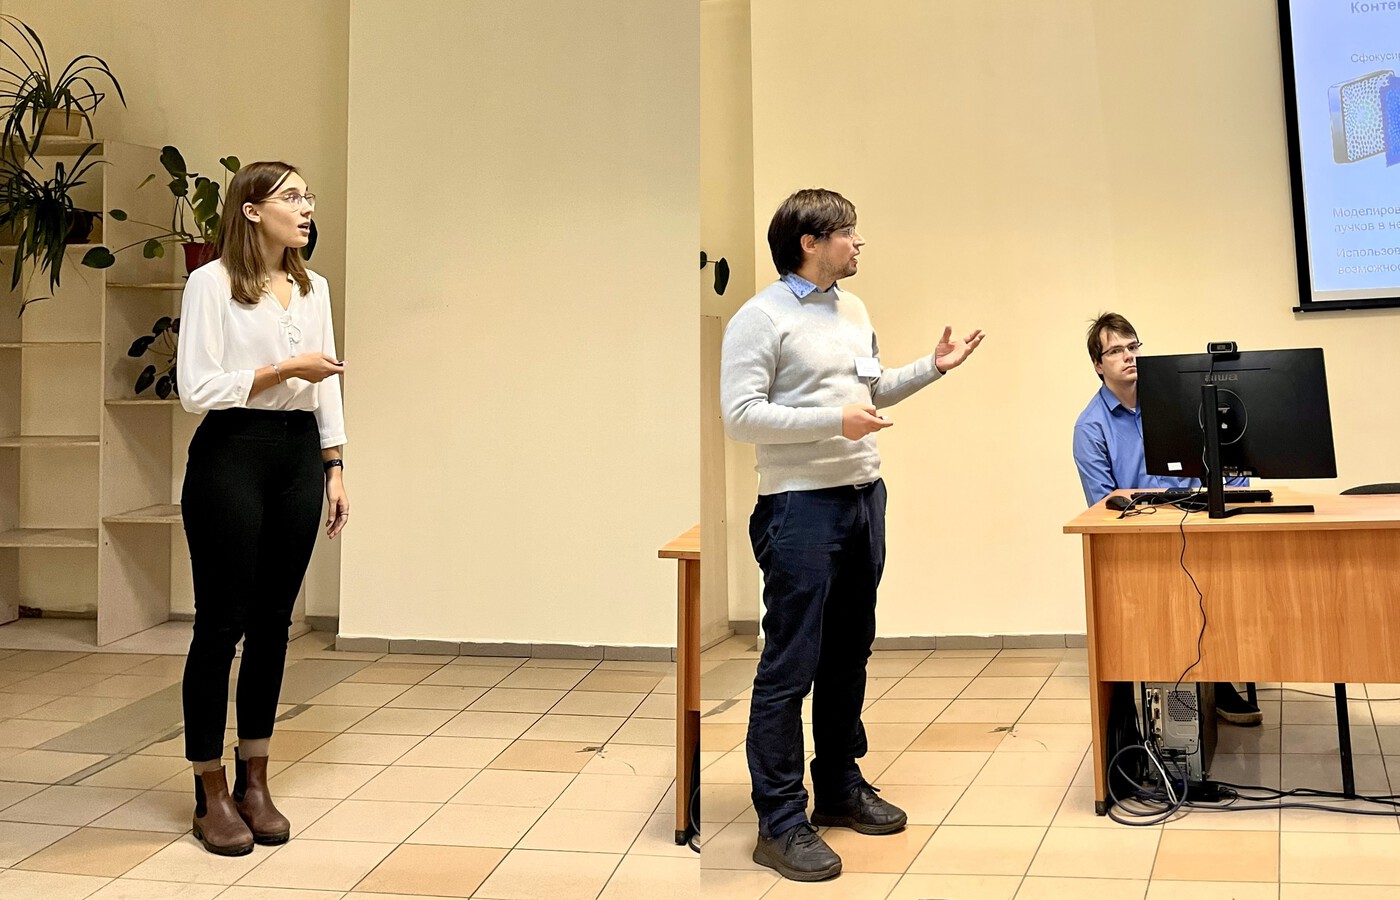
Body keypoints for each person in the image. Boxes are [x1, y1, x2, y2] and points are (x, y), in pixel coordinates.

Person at [720, 188, 984, 882]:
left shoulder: (854, 310)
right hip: (799, 507)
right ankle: (780, 821)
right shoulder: (759, 318)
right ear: (810, 243)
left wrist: (932, 368)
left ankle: (838, 786)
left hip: (864, 498)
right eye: (848, 232)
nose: (859, 242)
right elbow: (740, 414)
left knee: (848, 656)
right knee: (790, 666)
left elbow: (869, 390)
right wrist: (831, 422)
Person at [176, 161, 349, 855]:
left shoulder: (314, 287)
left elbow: (326, 383)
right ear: (251, 210)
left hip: (298, 455)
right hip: (231, 453)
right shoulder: (210, 283)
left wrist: (334, 465)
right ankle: (208, 788)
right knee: (220, 625)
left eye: (308, 198)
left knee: (276, 623)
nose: (306, 209)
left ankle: (256, 779)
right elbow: (196, 388)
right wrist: (282, 371)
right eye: (291, 197)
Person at [1072, 311, 1261, 726]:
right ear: (1098, 365)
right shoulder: (1091, 427)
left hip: (1198, 528)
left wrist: (1237, 492)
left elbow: (1224, 459)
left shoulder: (1178, 402)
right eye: (1116, 351)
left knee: (1229, 578)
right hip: (1139, 542)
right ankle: (1149, 695)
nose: (1129, 356)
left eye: (1133, 347)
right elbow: (1104, 505)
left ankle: (1218, 676)